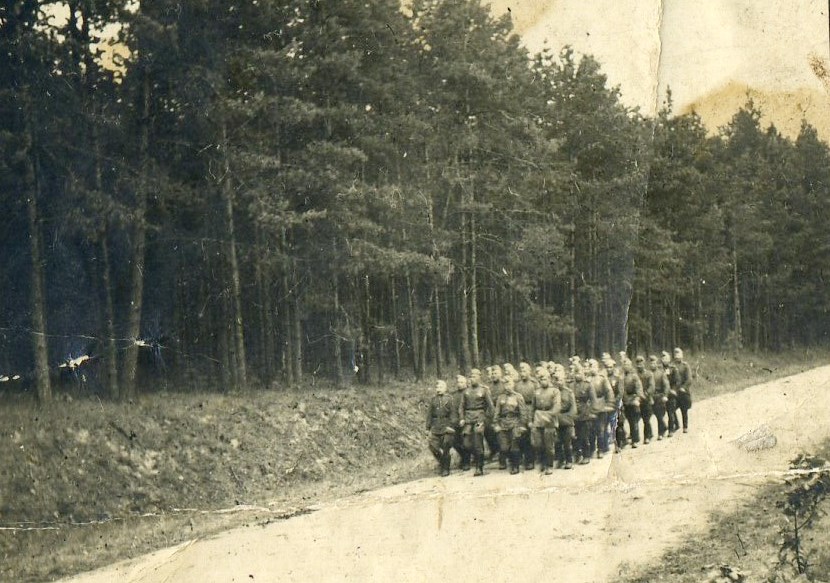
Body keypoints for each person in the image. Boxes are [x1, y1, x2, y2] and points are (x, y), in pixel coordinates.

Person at [459, 368, 495, 476]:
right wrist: (462, 418)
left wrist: (486, 418)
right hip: (468, 419)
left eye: (474, 376)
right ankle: (477, 458)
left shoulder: (484, 390)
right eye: (471, 376)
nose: (472, 378)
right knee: (466, 443)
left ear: (479, 377)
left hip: (480, 418)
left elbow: (491, 407)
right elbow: (461, 407)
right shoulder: (466, 391)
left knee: (478, 442)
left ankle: (479, 468)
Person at [493, 376, 527, 474]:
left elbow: (523, 412)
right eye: (505, 384)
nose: (507, 386)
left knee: (514, 445)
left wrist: (522, 424)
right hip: (503, 423)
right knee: (504, 447)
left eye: (509, 384)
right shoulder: (501, 397)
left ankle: (515, 466)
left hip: (515, 422)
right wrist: (496, 424)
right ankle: (512, 461)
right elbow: (497, 412)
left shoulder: (518, 396)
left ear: (513, 384)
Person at [531, 367, 561, 474]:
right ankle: (542, 463)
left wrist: (549, 415)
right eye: (541, 379)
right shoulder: (536, 392)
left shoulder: (555, 391)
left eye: (545, 379)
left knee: (549, 445)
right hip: (538, 418)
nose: (543, 381)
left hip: (550, 419)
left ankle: (549, 465)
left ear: (549, 379)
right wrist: (531, 420)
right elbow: (533, 407)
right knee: (538, 444)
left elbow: (557, 407)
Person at [426, 380, 458, 476]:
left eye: (440, 387)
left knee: (446, 446)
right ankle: (442, 462)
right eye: (437, 387)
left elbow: (453, 414)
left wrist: (451, 426)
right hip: (436, 427)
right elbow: (429, 415)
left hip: (446, 427)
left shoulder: (449, 399)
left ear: (445, 388)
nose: (438, 389)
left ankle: (446, 468)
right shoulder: (433, 400)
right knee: (433, 446)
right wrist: (427, 428)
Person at [587, 359, 614, 458]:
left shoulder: (602, 379)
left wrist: (609, 405)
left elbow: (609, 392)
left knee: (601, 429)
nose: (592, 368)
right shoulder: (587, 379)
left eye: (593, 366)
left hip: (601, 407)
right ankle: (591, 449)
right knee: (590, 430)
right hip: (590, 408)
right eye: (590, 367)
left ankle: (601, 449)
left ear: (597, 367)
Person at [515, 362, 539, 470]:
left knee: (531, 436)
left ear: (529, 371)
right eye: (521, 371)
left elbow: (538, 398)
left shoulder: (534, 383)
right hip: (520, 410)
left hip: (531, 409)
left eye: (525, 370)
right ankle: (522, 457)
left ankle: (531, 460)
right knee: (522, 435)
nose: (522, 373)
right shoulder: (517, 385)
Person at [571, 364, 597, 464]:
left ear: (583, 373)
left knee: (584, 436)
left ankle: (586, 455)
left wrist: (590, 412)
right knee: (575, 437)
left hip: (584, 414)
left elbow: (593, 400)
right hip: (573, 413)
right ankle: (577, 455)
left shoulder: (588, 385)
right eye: (576, 373)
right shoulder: (570, 385)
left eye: (579, 373)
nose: (577, 375)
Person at [554, 364, 577, 469]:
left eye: (560, 379)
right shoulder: (553, 392)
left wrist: (566, 419)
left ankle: (569, 461)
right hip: (555, 420)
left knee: (567, 443)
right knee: (557, 442)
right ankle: (560, 460)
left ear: (564, 380)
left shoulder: (569, 392)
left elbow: (573, 409)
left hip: (566, 421)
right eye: (556, 380)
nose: (559, 382)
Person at [620, 358, 645, 449]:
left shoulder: (634, 376)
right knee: (623, 421)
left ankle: (635, 440)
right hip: (624, 401)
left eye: (627, 365)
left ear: (630, 366)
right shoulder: (621, 376)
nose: (625, 366)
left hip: (633, 400)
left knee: (633, 421)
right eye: (624, 365)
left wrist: (637, 399)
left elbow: (639, 388)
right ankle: (623, 440)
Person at [451, 374, 471, 470]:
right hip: (456, 422)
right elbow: (453, 410)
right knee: (454, 442)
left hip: (468, 421)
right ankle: (464, 457)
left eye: (462, 382)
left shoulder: (469, 392)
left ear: (466, 383)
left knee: (466, 442)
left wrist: (465, 419)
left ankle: (466, 462)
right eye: (458, 382)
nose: (459, 384)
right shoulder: (453, 395)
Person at [672, 347, 693, 433]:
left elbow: (689, 379)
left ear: (682, 355)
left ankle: (685, 426)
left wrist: (683, 388)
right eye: (676, 354)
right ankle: (676, 424)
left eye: (679, 354)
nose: (677, 356)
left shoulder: (685, 366)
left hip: (683, 391)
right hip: (675, 392)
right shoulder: (671, 366)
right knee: (671, 408)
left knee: (684, 410)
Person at [635, 355, 655, 444]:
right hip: (637, 399)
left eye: (641, 363)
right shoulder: (634, 375)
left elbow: (651, 386)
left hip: (646, 399)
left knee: (646, 419)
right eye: (638, 364)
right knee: (635, 419)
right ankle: (635, 437)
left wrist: (645, 394)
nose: (640, 365)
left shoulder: (649, 374)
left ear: (644, 363)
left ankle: (647, 436)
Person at [649, 355, 670, 440]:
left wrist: (665, 395)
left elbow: (666, 385)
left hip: (659, 396)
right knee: (652, 414)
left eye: (654, 363)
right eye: (651, 363)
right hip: (651, 396)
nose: (652, 365)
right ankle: (664, 427)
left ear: (656, 363)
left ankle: (660, 433)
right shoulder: (648, 373)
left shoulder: (661, 373)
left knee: (659, 415)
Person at [662, 351, 679, 436]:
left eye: (666, 358)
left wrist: (673, 390)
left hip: (671, 392)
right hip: (663, 393)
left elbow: (676, 381)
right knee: (666, 411)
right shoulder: (660, 369)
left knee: (670, 411)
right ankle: (676, 424)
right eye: (663, 358)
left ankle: (671, 430)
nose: (664, 360)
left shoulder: (673, 368)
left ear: (669, 359)